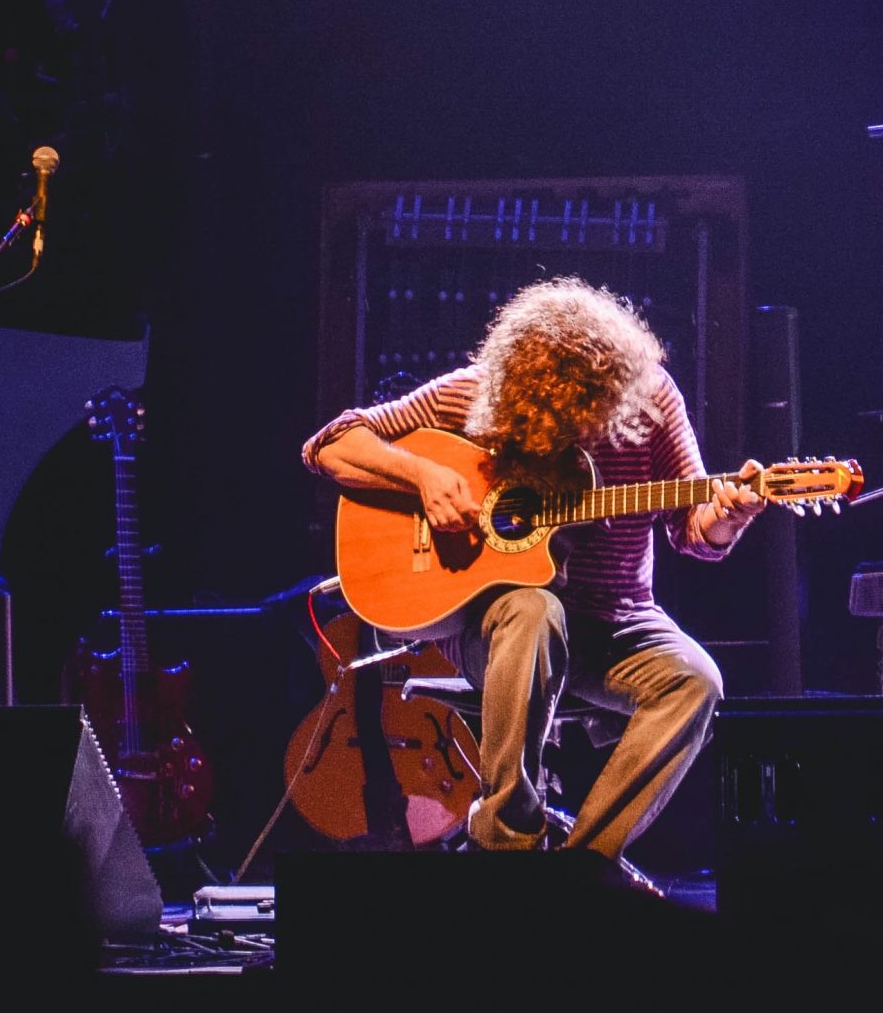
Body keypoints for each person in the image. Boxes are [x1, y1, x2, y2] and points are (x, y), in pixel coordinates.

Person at [302, 276, 762, 862]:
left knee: (699, 682)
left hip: (618, 623)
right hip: (500, 632)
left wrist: (729, 516)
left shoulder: (650, 401)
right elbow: (331, 445)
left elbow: (693, 532)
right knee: (532, 605)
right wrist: (425, 476)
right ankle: (506, 840)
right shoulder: (474, 397)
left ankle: (584, 864)